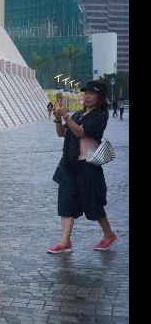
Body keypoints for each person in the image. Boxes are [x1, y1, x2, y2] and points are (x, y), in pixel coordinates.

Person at [48, 81, 117, 254]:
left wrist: (66, 116)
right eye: (85, 93)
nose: (86, 96)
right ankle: (65, 242)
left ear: (99, 97)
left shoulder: (100, 116)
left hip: (88, 166)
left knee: (93, 202)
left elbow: (80, 132)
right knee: (66, 202)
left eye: (91, 94)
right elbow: (61, 133)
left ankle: (109, 235)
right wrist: (58, 117)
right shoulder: (78, 114)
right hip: (70, 164)